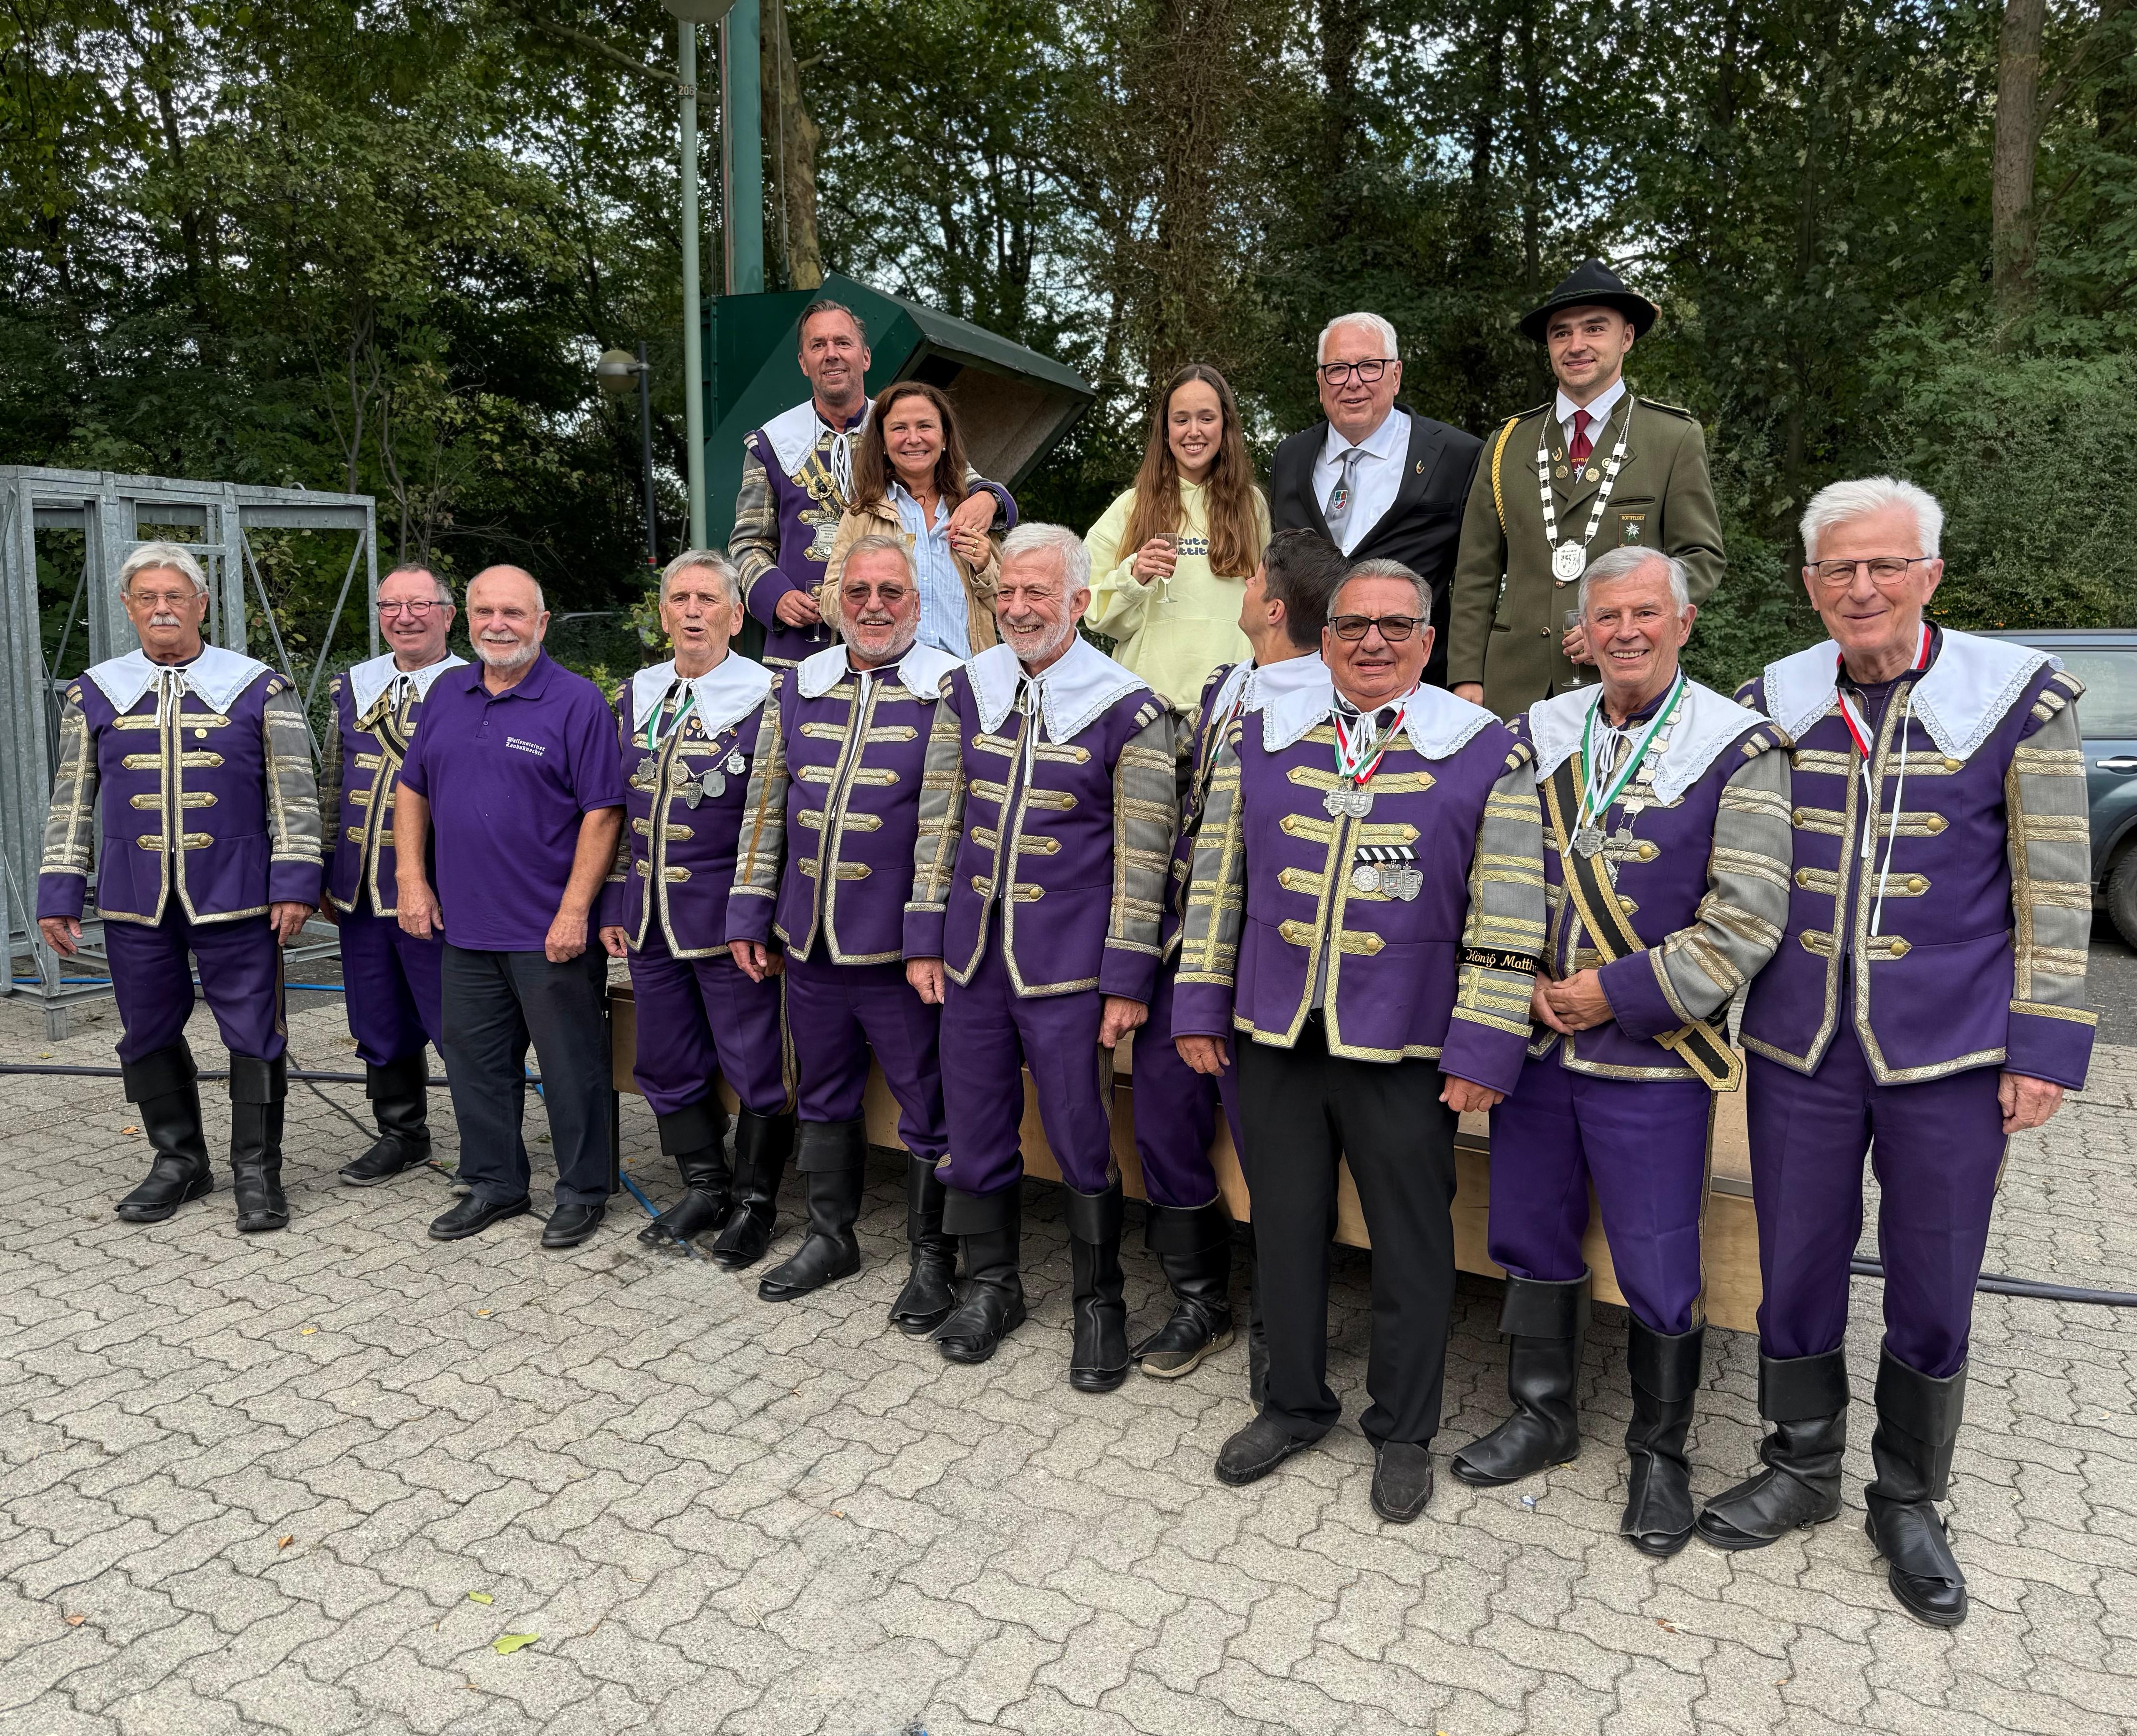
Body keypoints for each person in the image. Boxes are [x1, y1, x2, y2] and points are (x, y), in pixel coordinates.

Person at [1695, 478, 2094, 1629]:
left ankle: (1909, 1497)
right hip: (1798, 1042)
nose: (1861, 587)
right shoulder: (1771, 698)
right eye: (1838, 568)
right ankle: (1799, 1465)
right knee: (1794, 1263)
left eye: (1885, 565)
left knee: (1934, 1277)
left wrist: (2043, 1045)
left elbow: (2056, 881)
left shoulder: (2015, 696)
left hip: (1954, 1049)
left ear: (1930, 574)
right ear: (1810, 583)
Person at [1173, 558, 1546, 1525]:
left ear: (1428, 641)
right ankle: (1291, 1403)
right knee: (1283, 1228)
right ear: (1326, 638)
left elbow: (1509, 909)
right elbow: (1215, 877)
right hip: (1274, 1028)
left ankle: (1404, 1429)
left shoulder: (1486, 750)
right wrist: (1199, 1002)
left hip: (1408, 1044)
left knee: (1411, 1245)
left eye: (1394, 625)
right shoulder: (1263, 732)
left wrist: (1484, 1044)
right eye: (1352, 625)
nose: (1372, 641)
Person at [1448, 546, 1793, 1558]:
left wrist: (1614, 991)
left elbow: (1748, 918)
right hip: (1538, 1043)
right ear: (1582, 634)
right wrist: (1516, 990)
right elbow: (1491, 878)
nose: (1625, 632)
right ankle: (1542, 1414)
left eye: (1645, 613)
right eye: (1606, 617)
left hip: (1653, 1052)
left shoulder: (1738, 746)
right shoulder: (1538, 734)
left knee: (1657, 1257)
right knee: (1527, 1231)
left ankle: (1659, 1451)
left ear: (1683, 623)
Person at [904, 524, 1177, 1382]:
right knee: (975, 1124)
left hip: (1070, 967)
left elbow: (1145, 861)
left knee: (1080, 1134)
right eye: (1007, 593)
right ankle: (993, 1286)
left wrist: (1127, 977)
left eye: (1038, 593)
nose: (1018, 609)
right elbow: (939, 822)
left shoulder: (1128, 708)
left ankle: (1100, 1302)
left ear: (1080, 603)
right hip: (972, 958)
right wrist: (925, 937)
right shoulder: (966, 689)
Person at [38, 542, 322, 1232]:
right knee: (146, 1031)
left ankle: (258, 1171)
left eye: (175, 596)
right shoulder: (95, 692)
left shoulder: (258, 687)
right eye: (148, 597)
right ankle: (180, 1161)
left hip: (239, 895)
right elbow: (71, 800)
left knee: (254, 1032)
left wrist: (295, 883)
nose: (162, 608)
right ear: (129, 607)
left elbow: (295, 796)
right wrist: (59, 892)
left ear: (202, 605)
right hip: (135, 899)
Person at [1127, 527, 1349, 1383]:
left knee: (1274, 1145)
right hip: (1185, 946)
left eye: (1253, 577)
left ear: (1276, 607)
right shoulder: (1228, 682)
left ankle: (1285, 1322)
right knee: (1162, 1117)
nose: (1243, 587)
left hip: (1267, 961)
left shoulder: (1336, 706)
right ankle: (1198, 1300)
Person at [727, 535, 965, 1319]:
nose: (873, 606)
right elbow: (765, 805)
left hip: (901, 951)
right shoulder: (797, 685)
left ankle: (935, 1258)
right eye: (858, 591)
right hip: (809, 940)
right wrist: (751, 910)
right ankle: (832, 1236)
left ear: (916, 604)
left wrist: (927, 938)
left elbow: (948, 827)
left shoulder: (950, 689)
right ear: (835, 601)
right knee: (822, 1092)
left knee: (928, 1101)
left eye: (891, 592)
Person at [395, 566, 626, 1249]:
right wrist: (411, 878)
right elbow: (413, 788)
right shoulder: (447, 692)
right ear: (467, 619)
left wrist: (575, 911)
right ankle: (495, 1183)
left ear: (542, 622)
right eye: (485, 612)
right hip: (465, 927)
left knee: (571, 1070)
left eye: (514, 613)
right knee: (475, 1066)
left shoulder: (577, 702)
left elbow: (604, 813)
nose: (498, 625)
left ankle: (583, 1191)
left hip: (547, 929)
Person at [596, 551, 794, 1266]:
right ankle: (705, 1186)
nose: (691, 611)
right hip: (649, 916)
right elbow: (622, 808)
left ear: (737, 617)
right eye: (679, 599)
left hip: (729, 921)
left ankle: (756, 1204)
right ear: (662, 615)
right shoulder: (638, 694)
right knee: (665, 1058)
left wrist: (758, 916)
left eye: (708, 599)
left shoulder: (771, 696)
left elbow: (777, 819)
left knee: (755, 1062)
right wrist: (616, 898)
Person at [1447, 259, 1725, 720]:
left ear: (1626, 337)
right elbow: (1475, 573)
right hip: (1511, 686)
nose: (1576, 345)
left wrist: (1626, 621)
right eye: (1561, 333)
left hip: (1625, 678)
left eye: (1594, 328)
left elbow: (1700, 556)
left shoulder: (1671, 437)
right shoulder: (1507, 443)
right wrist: (1465, 676)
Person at [733, 299, 1015, 667]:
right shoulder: (772, 443)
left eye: (843, 343)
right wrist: (776, 595)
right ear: (804, 363)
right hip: (806, 643)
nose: (831, 354)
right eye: (818, 345)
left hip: (899, 640)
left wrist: (989, 499)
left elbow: (969, 484)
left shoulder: (901, 430)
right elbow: (749, 543)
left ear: (865, 357)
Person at [316, 563, 467, 1188]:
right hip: (358, 889)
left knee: (458, 1025)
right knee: (377, 1018)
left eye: (419, 605)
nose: (404, 618)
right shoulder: (353, 685)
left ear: (448, 615)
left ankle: (488, 1146)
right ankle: (401, 1134)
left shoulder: (474, 686)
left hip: (441, 892)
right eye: (390, 606)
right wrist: (324, 867)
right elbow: (332, 782)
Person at [1267, 314, 1483, 691]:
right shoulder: (1290, 457)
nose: (1353, 382)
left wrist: (1468, 676)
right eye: (1337, 369)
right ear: (1320, 383)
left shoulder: (1457, 455)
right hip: (1303, 684)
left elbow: (1477, 580)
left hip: (1417, 683)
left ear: (1396, 375)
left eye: (1369, 366)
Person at [1086, 364, 1270, 712]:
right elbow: (1091, 609)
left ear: (1225, 426)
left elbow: (1266, 604)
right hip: (1149, 707)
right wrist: (1134, 576)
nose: (1193, 431)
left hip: (1230, 703)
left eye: (1206, 418)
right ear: (1165, 429)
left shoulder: (1251, 505)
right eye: (1181, 420)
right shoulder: (1131, 506)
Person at [822, 380, 1002, 660]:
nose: (914, 438)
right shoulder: (862, 516)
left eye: (925, 426)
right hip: (891, 676)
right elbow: (829, 605)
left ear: (945, 438)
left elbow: (1009, 604)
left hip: (964, 674)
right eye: (899, 428)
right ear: (883, 442)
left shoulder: (972, 510)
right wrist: (868, 591)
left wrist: (984, 566)